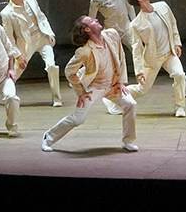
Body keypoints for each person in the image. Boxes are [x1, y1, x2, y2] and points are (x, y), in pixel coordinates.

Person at [41, 15, 139, 152]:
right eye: (92, 21)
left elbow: (121, 57)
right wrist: (80, 92)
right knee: (78, 119)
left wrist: (121, 81)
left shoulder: (112, 35)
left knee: (130, 104)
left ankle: (128, 141)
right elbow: (69, 71)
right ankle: (48, 137)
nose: (96, 20)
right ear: (87, 29)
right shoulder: (84, 51)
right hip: (94, 87)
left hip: (112, 86)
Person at [0, 0, 62, 108]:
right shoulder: (6, 13)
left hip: (41, 37)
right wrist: (18, 55)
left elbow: (41, 16)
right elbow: (9, 37)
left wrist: (50, 33)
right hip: (26, 44)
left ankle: (57, 98)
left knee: (51, 65)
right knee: (15, 72)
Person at [124, 0, 186, 117]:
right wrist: (139, 71)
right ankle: (114, 97)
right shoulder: (136, 24)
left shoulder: (162, 6)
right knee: (142, 89)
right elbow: (136, 48)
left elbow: (173, 24)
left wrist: (176, 43)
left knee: (180, 75)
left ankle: (180, 106)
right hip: (153, 58)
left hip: (170, 53)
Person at [88, 0, 134, 82]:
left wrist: (134, 23)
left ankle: (143, 76)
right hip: (111, 32)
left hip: (127, 28)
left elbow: (129, 6)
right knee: (108, 57)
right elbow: (91, 19)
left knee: (138, 51)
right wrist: (93, 36)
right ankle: (83, 76)